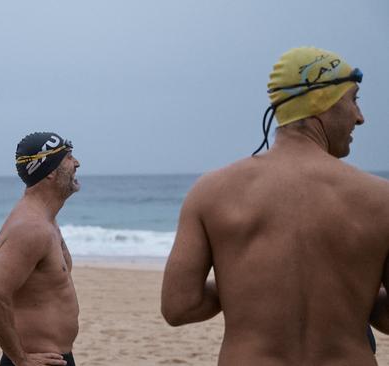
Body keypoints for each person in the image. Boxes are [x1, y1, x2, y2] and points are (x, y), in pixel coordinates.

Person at [160, 46, 389, 365]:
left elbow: (179, 306)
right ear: (323, 102)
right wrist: (353, 290)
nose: (360, 117)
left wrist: (243, 284)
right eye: (354, 99)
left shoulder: (211, 192)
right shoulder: (381, 198)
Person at [0, 132, 80, 366]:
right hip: (39, 359)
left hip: (56, 357)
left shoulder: (46, 219)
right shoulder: (31, 229)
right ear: (50, 171)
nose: (77, 163)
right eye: (68, 157)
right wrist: (20, 360)